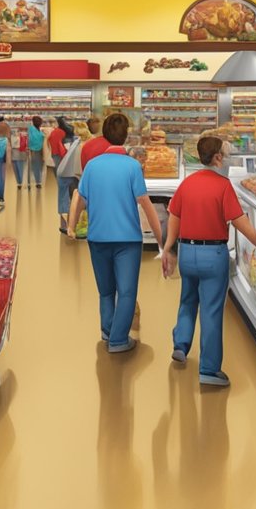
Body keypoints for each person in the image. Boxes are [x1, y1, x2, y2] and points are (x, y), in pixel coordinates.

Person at [160, 136, 256, 388]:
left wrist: (168, 248)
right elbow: (241, 224)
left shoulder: (187, 184)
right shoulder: (223, 187)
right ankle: (209, 370)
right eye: (225, 153)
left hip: (187, 252)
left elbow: (174, 217)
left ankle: (180, 345)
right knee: (210, 310)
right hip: (213, 256)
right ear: (218, 157)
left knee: (187, 301)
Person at [68, 113, 163, 353]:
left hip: (97, 237)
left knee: (106, 290)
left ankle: (107, 330)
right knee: (127, 291)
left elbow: (79, 197)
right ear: (126, 136)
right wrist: (162, 239)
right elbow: (145, 203)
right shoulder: (132, 166)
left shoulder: (92, 166)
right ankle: (119, 340)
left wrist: (72, 225)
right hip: (127, 239)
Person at [54, 119, 81, 233]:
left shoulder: (66, 141)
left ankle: (64, 224)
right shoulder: (79, 143)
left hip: (64, 172)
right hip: (75, 174)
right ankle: (74, 224)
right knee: (76, 198)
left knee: (64, 198)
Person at [0, 118, 12, 206]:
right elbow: (8, 151)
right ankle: (1, 197)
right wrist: (9, 163)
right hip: (3, 159)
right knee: (2, 177)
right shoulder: (6, 139)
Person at [23, 116, 45, 189]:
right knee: (37, 166)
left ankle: (34, 182)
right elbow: (34, 139)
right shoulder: (35, 130)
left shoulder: (32, 129)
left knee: (35, 166)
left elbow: (30, 139)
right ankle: (37, 182)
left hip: (35, 150)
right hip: (37, 150)